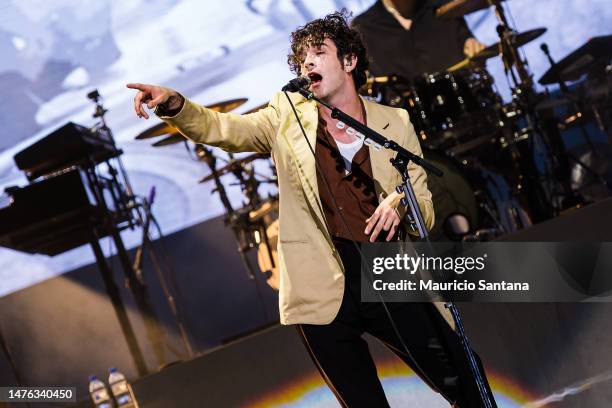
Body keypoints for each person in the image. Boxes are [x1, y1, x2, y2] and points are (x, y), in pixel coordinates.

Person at [128, 11, 495, 408]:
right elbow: (225, 130)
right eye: (302, 57)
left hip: (386, 270)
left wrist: (400, 202)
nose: (308, 63)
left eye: (318, 53)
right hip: (320, 284)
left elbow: (424, 207)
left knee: (463, 374)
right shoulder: (286, 116)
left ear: (350, 62)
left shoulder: (395, 122)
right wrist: (176, 105)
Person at [352, 0, 486, 79]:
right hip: (405, 124)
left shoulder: (443, 5)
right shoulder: (363, 29)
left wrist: (473, 48)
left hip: (468, 112)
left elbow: (468, 44)